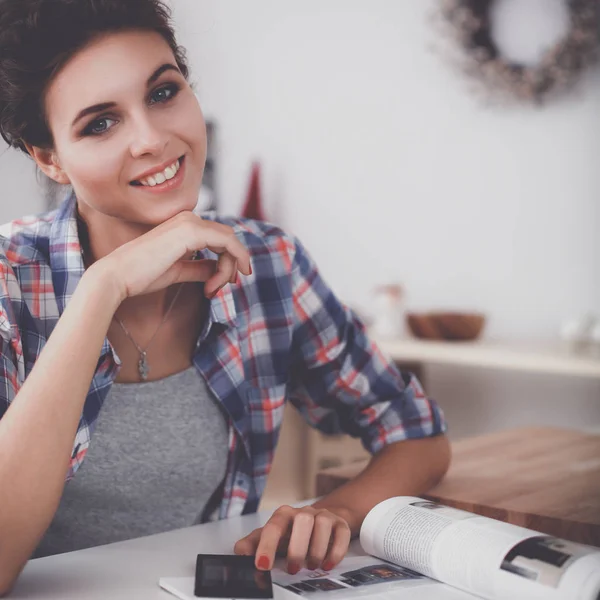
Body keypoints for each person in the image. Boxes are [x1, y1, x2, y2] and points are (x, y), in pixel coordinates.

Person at [0, 0, 449, 595]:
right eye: (100, 123)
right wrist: (101, 289)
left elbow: (415, 432)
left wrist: (338, 511)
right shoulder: (9, 281)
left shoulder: (268, 265)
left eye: (162, 93)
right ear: (50, 158)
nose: (153, 139)